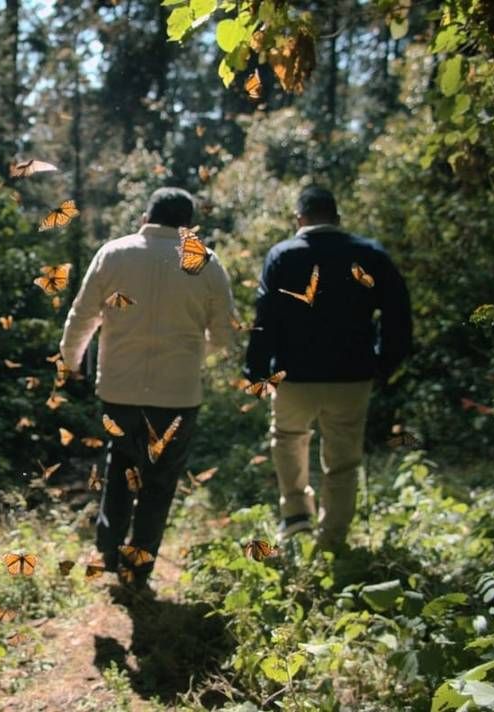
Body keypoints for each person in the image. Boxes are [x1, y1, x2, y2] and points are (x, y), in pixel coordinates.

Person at [61, 187, 235, 589]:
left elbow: (82, 315)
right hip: (177, 395)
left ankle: (108, 550)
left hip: (118, 391)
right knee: (159, 482)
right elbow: (226, 337)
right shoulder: (206, 263)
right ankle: (138, 568)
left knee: (120, 466)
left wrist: (70, 362)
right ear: (188, 227)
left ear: (145, 217)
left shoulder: (114, 253)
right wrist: (193, 354)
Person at [244, 185, 411, 550]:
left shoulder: (282, 256)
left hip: (293, 376)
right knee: (343, 461)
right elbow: (398, 315)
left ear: (298, 218)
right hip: (352, 375)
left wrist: (256, 371)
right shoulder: (370, 254)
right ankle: (332, 539)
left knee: (287, 440)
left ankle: (296, 519)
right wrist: (383, 363)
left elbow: (265, 320)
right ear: (337, 217)